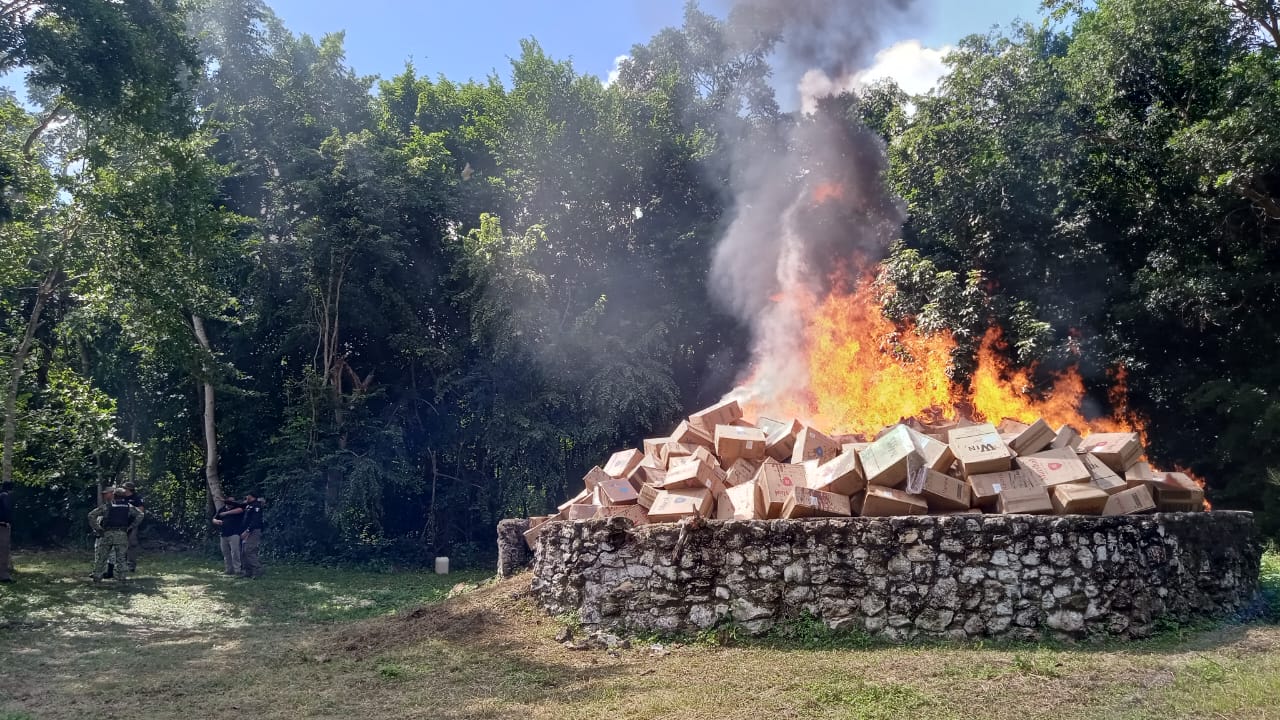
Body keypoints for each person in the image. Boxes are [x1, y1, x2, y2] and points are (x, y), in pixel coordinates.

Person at [88, 488, 142, 582]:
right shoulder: (128, 506)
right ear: (124, 496)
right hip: (122, 534)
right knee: (121, 558)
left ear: (115, 495)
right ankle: (121, 578)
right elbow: (140, 515)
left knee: (102, 557)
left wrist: (98, 528)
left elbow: (91, 515)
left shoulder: (108, 506)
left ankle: (97, 577)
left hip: (107, 534)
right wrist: (132, 526)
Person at [212, 497, 244, 576]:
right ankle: (229, 569)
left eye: (231, 503)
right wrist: (217, 521)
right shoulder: (222, 509)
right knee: (226, 553)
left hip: (234, 534)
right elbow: (214, 519)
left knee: (235, 552)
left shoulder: (237, 508)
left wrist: (227, 513)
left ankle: (237, 569)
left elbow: (240, 510)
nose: (230, 504)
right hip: (223, 534)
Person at [239, 490, 265, 578]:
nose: (246, 497)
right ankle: (248, 571)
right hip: (246, 530)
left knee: (249, 550)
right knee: (243, 552)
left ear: (251, 496)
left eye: (247, 495)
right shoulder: (248, 505)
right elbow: (237, 504)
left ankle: (257, 570)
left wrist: (247, 531)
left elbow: (255, 521)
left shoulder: (256, 505)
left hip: (253, 531)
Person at [122, 481, 145, 572]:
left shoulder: (136, 498)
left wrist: (130, 509)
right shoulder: (121, 497)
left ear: (128, 489)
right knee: (120, 544)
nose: (123, 489)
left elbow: (141, 510)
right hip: (121, 524)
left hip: (132, 524)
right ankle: (121, 564)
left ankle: (131, 565)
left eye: (124, 488)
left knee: (132, 544)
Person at [0, 481, 13, 583]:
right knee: (3, 550)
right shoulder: (5, 496)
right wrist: (7, 522)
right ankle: (3, 576)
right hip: (2, 525)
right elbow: (6, 510)